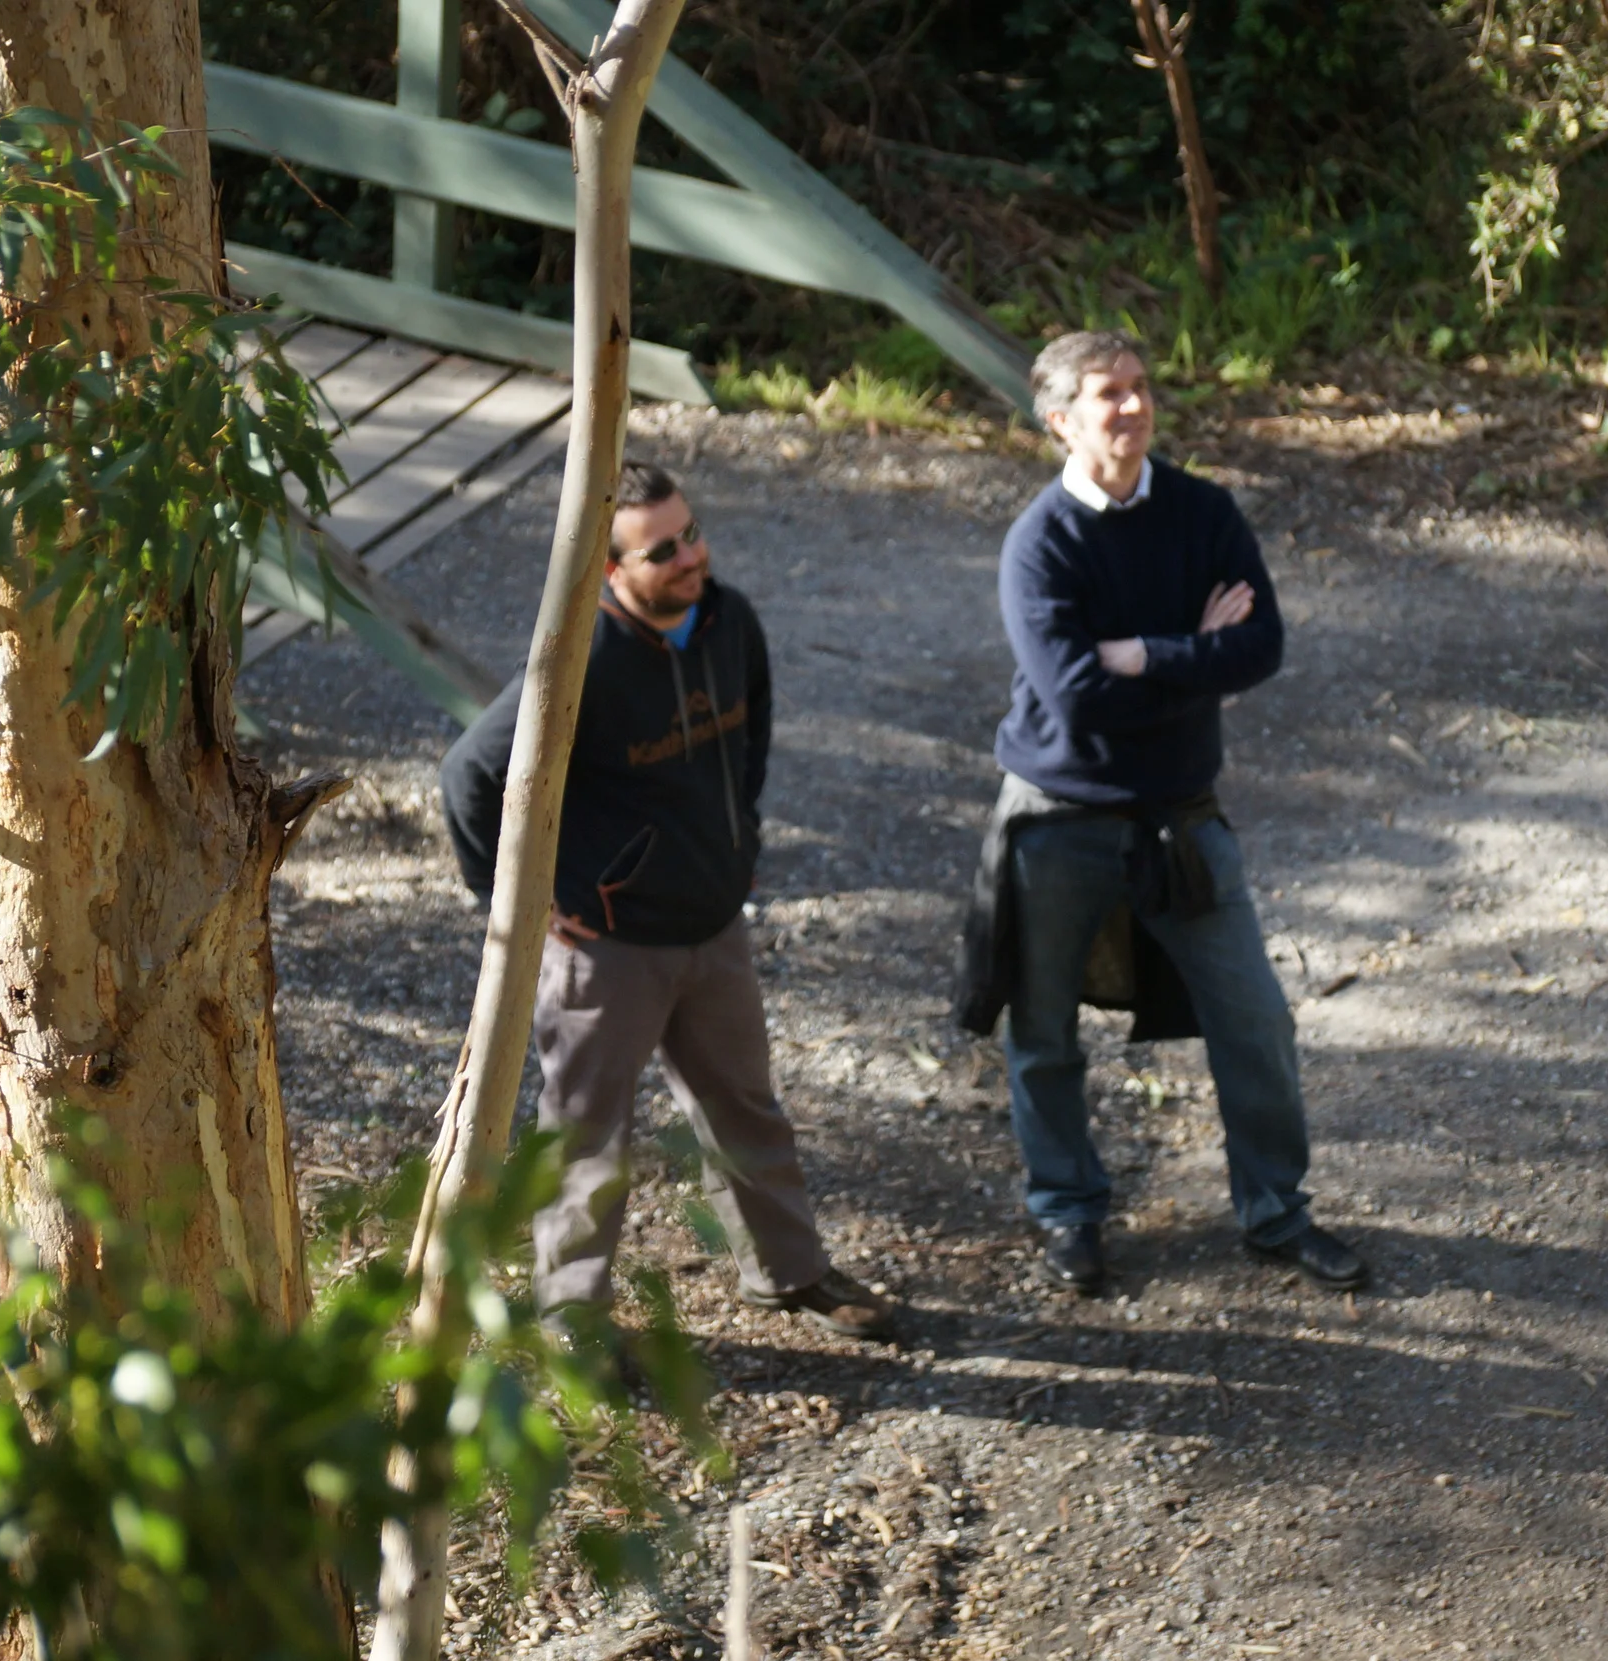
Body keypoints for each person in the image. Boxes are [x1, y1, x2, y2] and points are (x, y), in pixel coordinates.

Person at [439, 460, 894, 1342]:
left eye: (691, 535)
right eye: (662, 551)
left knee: (746, 1109)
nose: (691, 558)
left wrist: (741, 842)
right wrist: (526, 906)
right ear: (612, 571)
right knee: (586, 1138)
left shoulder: (730, 621)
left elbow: (750, 735)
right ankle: (573, 1320)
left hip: (713, 931)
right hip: (609, 949)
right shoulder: (584, 659)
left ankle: (790, 1274)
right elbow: (471, 773)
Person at [955, 331, 1368, 1297]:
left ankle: (1277, 1215)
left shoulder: (1202, 510)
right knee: (1044, 1029)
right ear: (1060, 419)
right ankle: (1069, 1213)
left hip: (1182, 816)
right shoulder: (1039, 544)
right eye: (1110, 393)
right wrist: (1194, 654)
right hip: (1056, 816)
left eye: (1142, 388)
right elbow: (1076, 699)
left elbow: (1260, 646)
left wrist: (1143, 652)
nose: (1134, 407)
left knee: (1255, 1019)